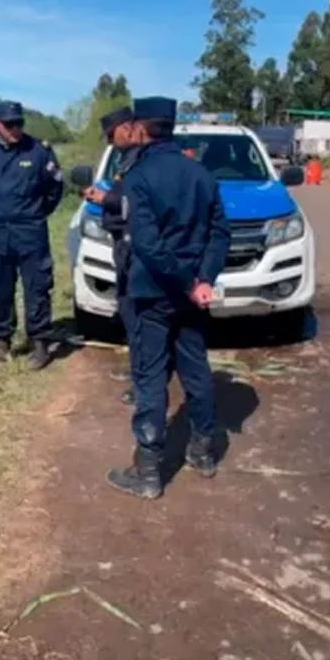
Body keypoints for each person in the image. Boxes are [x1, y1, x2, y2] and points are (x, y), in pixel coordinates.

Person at [107, 96, 232, 500]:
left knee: (150, 378)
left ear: (141, 128)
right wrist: (203, 279)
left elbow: (148, 245)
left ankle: (148, 473)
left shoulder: (140, 176)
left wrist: (184, 281)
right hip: (192, 296)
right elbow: (219, 234)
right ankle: (202, 453)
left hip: (154, 294)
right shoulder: (201, 174)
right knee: (197, 372)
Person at [0, 100, 66, 370]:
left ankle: (39, 342)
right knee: (0, 289)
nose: (15, 129)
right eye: (9, 124)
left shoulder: (38, 151)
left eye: (19, 123)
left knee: (36, 288)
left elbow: (55, 189)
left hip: (30, 232)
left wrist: (34, 214)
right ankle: (2, 342)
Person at [83, 107, 143, 404]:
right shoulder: (125, 158)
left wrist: (105, 198)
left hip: (137, 249)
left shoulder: (142, 159)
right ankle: (137, 370)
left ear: (126, 128)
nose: (110, 141)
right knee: (128, 311)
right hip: (123, 245)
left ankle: (143, 380)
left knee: (138, 314)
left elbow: (135, 200)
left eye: (111, 135)